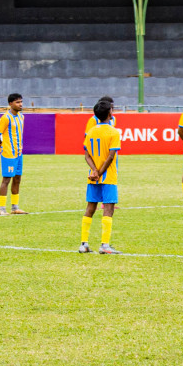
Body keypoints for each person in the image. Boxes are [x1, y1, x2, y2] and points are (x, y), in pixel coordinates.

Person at [80, 98, 122, 255]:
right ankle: (105, 245)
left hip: (92, 177)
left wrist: (94, 171)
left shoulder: (91, 132)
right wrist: (101, 172)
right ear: (110, 113)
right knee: (109, 208)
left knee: (90, 207)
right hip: (108, 176)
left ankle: (84, 244)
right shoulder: (113, 132)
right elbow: (111, 156)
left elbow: (87, 155)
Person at [0, 93, 27, 215]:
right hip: (8, 153)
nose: (21, 104)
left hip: (19, 153)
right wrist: (0, 146)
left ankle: (15, 207)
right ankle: (2, 209)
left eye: (21, 102)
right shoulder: (6, 118)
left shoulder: (21, 117)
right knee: (6, 179)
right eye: (18, 102)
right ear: (10, 104)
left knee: (17, 179)